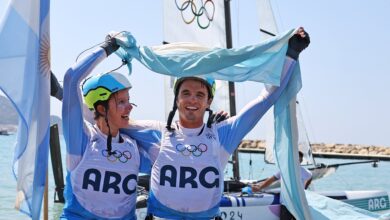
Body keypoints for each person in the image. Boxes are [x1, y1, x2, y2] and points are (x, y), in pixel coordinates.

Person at [121, 27, 310, 219]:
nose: (192, 100)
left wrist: (291, 54)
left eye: (200, 95)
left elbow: (266, 99)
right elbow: (106, 119)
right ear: (176, 99)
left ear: (208, 102)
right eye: (185, 93)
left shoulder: (225, 133)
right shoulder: (155, 132)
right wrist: (107, 50)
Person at [60, 35, 146, 219]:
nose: (130, 107)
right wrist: (108, 47)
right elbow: (71, 79)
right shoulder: (82, 140)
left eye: (129, 100)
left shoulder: (135, 146)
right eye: (121, 101)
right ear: (101, 108)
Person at [251, 151, 313, 220]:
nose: (297, 160)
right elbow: (271, 179)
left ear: (301, 160)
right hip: (286, 203)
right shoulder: (284, 170)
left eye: (299, 158)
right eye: (295, 158)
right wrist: (260, 187)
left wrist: (305, 188)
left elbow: (310, 177)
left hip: (299, 203)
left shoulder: (304, 171)